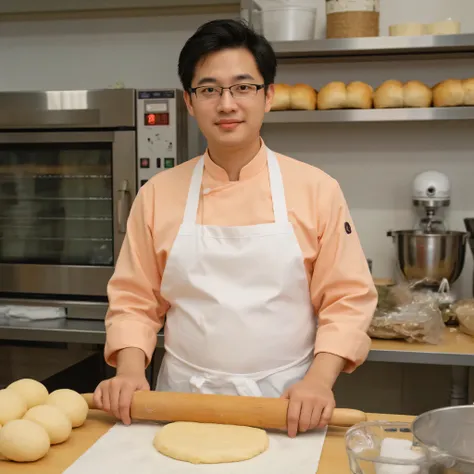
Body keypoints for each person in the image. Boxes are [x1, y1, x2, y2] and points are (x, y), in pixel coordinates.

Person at [93, 18, 378, 438]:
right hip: (180, 402)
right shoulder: (157, 194)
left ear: (268, 96)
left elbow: (347, 299)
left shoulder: (317, 189)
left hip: (288, 406)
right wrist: (131, 371)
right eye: (209, 89)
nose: (226, 104)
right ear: (190, 102)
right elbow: (134, 299)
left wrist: (318, 382)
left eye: (243, 87)